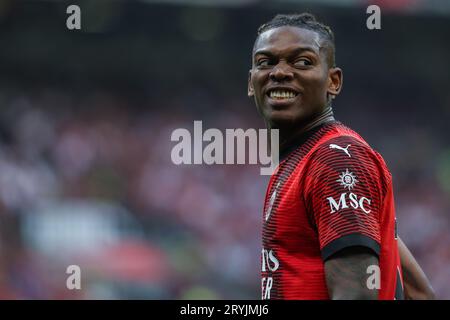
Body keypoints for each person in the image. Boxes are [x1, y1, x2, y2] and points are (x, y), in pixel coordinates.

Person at [248, 13, 434, 300]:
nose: (280, 72)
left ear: (333, 81)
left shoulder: (336, 159)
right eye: (266, 62)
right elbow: (418, 292)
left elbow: (356, 294)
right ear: (252, 83)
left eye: (302, 62)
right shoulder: (302, 159)